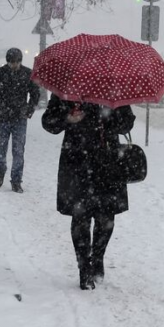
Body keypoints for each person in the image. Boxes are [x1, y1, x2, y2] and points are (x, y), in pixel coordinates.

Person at [41, 95, 135, 290]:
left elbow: (127, 123)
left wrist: (110, 118)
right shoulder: (68, 90)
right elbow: (48, 122)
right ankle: (84, 267)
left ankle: (98, 258)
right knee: (81, 217)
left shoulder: (112, 88)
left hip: (108, 162)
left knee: (106, 216)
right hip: (77, 162)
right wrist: (68, 118)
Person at [0, 48, 40, 193]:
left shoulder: (27, 74)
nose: (14, 65)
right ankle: (1, 170)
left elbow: (35, 94)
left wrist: (29, 110)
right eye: (11, 62)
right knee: (0, 149)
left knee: (18, 150)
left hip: (20, 118)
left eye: (16, 62)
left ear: (20, 61)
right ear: (7, 61)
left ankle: (16, 180)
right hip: (2, 116)